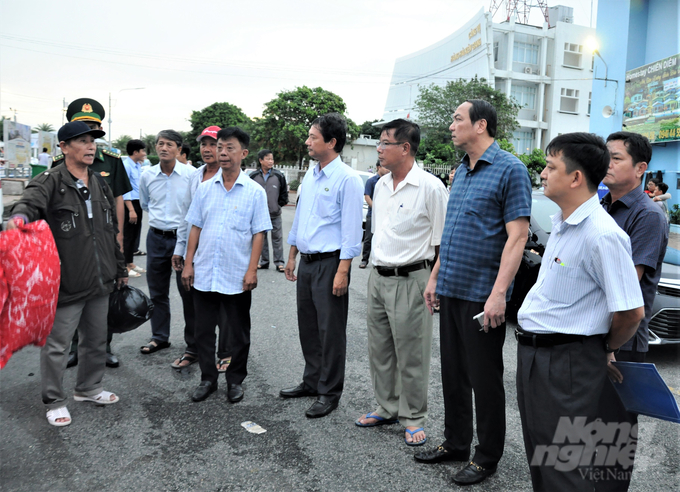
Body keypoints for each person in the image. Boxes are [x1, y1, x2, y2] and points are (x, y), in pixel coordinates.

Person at [516, 132, 644, 491]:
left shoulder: (602, 234)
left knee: (565, 468)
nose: (542, 173)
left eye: (550, 166)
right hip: (537, 358)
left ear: (575, 177)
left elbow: (631, 312)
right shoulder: (562, 225)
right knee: (542, 458)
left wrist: (600, 349)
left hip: (568, 363)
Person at [417, 100, 532, 486]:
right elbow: (451, 234)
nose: (451, 125)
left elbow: (517, 237)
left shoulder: (510, 169)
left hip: (483, 296)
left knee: (484, 378)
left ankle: (487, 457)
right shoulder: (461, 172)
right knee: (453, 372)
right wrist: (435, 277)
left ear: (480, 125)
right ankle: (455, 442)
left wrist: (499, 294)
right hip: (451, 286)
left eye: (457, 119)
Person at [8, 121, 127, 426]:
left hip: (100, 278)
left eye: (93, 142)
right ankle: (54, 399)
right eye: (83, 141)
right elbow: (29, 203)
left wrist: (119, 267)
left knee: (96, 339)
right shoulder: (51, 180)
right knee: (58, 344)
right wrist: (20, 217)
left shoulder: (100, 182)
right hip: (66, 281)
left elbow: (109, 229)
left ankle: (89, 387)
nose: (91, 147)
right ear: (64, 147)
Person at [354, 119, 448, 447]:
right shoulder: (379, 186)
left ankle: (414, 416)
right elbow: (379, 232)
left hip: (413, 278)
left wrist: (434, 283)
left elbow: (442, 244)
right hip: (379, 278)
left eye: (384, 143)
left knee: (412, 353)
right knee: (379, 349)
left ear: (405, 148)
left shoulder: (431, 187)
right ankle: (387, 406)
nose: (378, 149)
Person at [596, 131, 669, 491]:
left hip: (622, 339)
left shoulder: (647, 216)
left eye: (616, 158)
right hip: (594, 334)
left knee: (614, 433)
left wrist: (610, 345)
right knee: (588, 427)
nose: (607, 163)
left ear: (640, 168)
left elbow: (626, 286)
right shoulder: (601, 206)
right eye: (604, 155)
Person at [280, 113, 364, 418]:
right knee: (309, 326)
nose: (307, 141)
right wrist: (292, 255)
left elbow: (352, 231)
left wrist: (343, 271)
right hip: (307, 261)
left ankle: (330, 392)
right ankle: (312, 380)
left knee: (331, 331)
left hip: (331, 263)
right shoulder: (311, 175)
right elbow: (301, 218)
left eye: (313, 137)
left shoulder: (348, 180)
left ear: (331, 142)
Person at [181, 127, 271, 403]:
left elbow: (259, 233)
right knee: (203, 331)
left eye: (229, 147)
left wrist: (252, 269)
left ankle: (235, 380)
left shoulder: (254, 192)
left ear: (243, 153)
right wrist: (188, 264)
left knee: (238, 332)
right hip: (205, 271)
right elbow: (194, 227)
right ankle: (208, 379)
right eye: (220, 147)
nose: (222, 152)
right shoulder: (206, 189)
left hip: (236, 273)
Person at [54, 98, 132, 369]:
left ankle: (104, 347)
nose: (87, 137)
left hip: (105, 239)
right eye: (81, 129)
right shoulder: (57, 164)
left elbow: (118, 199)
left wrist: (118, 235)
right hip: (73, 244)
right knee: (75, 294)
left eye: (92, 129)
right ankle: (76, 347)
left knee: (105, 295)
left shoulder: (111, 162)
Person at [171, 126, 232, 372]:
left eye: (213, 144)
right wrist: (180, 249)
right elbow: (186, 217)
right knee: (192, 303)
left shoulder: (237, 178)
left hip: (221, 253)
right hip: (193, 253)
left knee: (225, 306)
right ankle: (194, 348)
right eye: (203, 144)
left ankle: (226, 353)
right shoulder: (194, 177)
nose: (207, 149)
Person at [139, 130, 195, 355]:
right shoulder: (147, 175)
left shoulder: (191, 175)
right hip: (156, 238)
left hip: (181, 239)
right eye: (160, 144)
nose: (163, 148)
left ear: (179, 149)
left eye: (169, 144)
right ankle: (159, 337)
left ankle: (193, 343)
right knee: (157, 292)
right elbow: (145, 204)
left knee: (188, 292)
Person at [250, 149, 289, 272]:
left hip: (274, 214)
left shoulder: (279, 175)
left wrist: (277, 206)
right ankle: (264, 261)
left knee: (277, 238)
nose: (271, 161)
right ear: (261, 160)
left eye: (272, 159)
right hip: (259, 215)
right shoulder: (253, 176)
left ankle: (279, 262)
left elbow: (284, 194)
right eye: (268, 159)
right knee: (261, 238)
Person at [122, 139, 147, 278]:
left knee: (135, 234)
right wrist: (131, 209)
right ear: (135, 152)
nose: (144, 154)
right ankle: (124, 265)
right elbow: (125, 189)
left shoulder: (137, 165)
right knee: (128, 235)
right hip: (129, 204)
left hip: (138, 203)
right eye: (142, 151)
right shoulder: (126, 165)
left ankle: (130, 262)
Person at [358, 160, 389, 269]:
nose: (387, 169)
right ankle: (364, 260)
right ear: (378, 167)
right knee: (369, 238)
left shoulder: (390, 181)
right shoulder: (371, 181)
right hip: (373, 214)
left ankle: (380, 261)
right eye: (384, 167)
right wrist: (376, 209)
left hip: (386, 215)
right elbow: (367, 197)